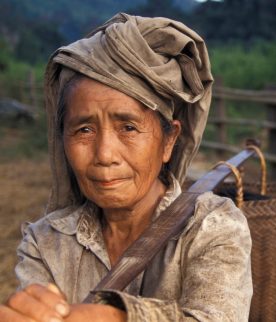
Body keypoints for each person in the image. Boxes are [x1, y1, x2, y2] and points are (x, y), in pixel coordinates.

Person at [0, 14, 252, 322]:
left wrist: (115, 317)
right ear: (62, 140)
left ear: (169, 140)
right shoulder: (46, 241)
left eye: (129, 128)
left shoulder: (212, 226)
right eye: (84, 130)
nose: (105, 155)